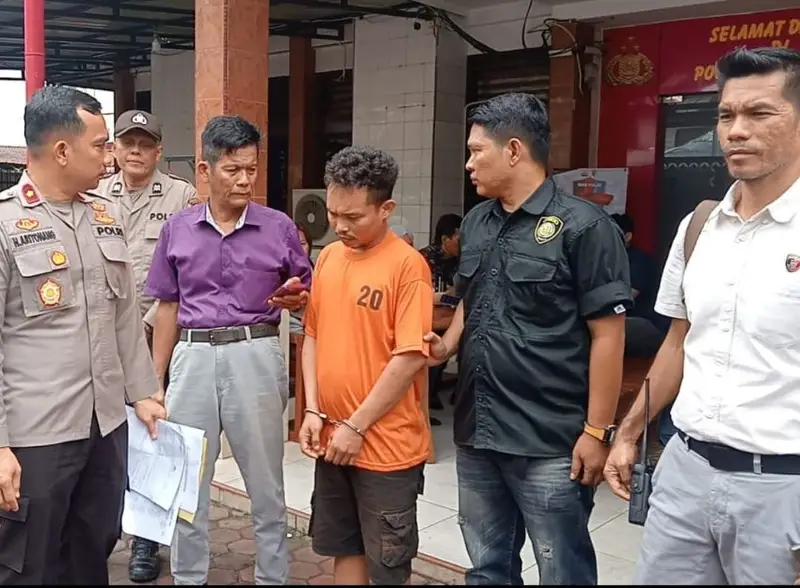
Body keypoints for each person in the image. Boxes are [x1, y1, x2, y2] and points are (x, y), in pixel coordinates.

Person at [603, 47, 800, 585]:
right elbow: (677, 343)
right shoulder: (699, 226)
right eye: (725, 115)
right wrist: (628, 433)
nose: (736, 130)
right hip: (684, 471)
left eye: (759, 113)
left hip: (782, 490)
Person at [425, 93, 632, 585]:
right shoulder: (477, 221)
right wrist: (447, 345)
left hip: (549, 439)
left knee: (562, 571)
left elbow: (609, 337)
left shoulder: (584, 226)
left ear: (514, 150)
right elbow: (473, 296)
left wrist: (597, 432)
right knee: (488, 567)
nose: (469, 163)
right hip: (478, 429)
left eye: (477, 151)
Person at [0, 85, 165, 584]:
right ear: (61, 151)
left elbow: (124, 317)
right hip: (36, 436)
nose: (110, 154)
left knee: (93, 553)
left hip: (105, 427)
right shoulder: (6, 224)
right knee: (29, 564)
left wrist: (144, 392)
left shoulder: (103, 217)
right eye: (100, 144)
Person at [145, 115, 312, 585]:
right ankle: (189, 577)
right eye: (232, 169)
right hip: (193, 357)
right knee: (187, 481)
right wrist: (155, 382)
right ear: (205, 170)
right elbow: (167, 307)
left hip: (255, 354)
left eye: (251, 170)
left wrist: (298, 296)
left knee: (266, 483)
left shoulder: (278, 227)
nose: (244, 180)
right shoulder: (177, 229)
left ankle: (272, 577)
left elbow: (305, 288)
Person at [297, 146, 433, 585]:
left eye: (353, 217)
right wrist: (313, 410)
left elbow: (409, 358)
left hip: (385, 451)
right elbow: (313, 334)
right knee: (344, 548)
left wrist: (356, 427)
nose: (339, 226)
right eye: (333, 213)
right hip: (333, 439)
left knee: (387, 566)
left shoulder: (407, 267)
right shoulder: (330, 257)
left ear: (386, 208)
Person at [96, 109, 199, 582]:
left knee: (153, 438)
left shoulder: (182, 196)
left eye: (145, 143)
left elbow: (186, 273)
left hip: (159, 337)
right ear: (114, 149)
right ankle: (103, 528)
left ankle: (146, 540)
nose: (135, 150)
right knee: (105, 438)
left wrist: (150, 328)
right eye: (127, 142)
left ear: (158, 151)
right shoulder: (93, 194)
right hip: (103, 341)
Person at [419, 213, 462, 417]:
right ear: (445, 239)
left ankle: (438, 393)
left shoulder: (457, 261)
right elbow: (425, 294)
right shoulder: (424, 258)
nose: (462, 244)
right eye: (458, 239)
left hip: (448, 318)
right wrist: (445, 297)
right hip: (428, 317)